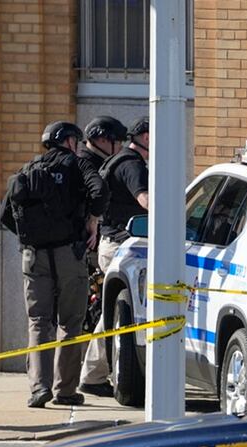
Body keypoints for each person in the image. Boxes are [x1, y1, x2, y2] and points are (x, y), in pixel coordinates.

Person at [0, 121, 108, 407]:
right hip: (69, 254)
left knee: (38, 321)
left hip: (33, 255)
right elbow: (100, 192)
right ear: (70, 141)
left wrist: (32, 238)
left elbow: (6, 216)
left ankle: (39, 388)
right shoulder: (78, 165)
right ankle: (65, 390)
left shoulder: (28, 169)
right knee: (70, 322)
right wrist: (92, 221)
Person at [79, 117, 149, 397]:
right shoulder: (132, 164)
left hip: (113, 243)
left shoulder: (121, 160)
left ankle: (93, 374)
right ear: (144, 136)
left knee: (113, 312)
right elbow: (144, 199)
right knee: (115, 313)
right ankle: (93, 374)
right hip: (121, 245)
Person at [76, 116, 128, 397]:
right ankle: (92, 373)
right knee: (100, 312)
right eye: (115, 141)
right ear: (101, 139)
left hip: (81, 248)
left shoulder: (89, 161)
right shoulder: (90, 164)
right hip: (87, 248)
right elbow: (98, 195)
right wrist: (93, 222)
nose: (119, 147)